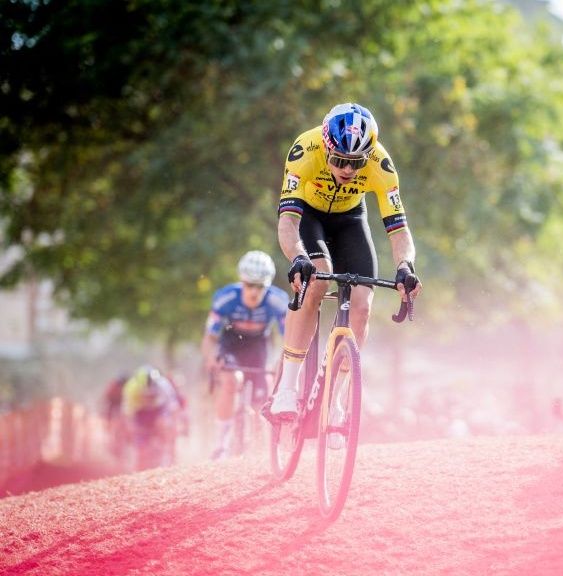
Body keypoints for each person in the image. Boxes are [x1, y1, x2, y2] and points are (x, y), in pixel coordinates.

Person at [270, 103, 423, 420]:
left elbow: (398, 229)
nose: (348, 170)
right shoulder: (305, 149)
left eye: (356, 162)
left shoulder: (382, 165)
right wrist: (298, 256)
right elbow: (287, 223)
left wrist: (405, 266)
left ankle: (335, 401)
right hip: (309, 217)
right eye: (339, 159)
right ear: (326, 147)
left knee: (363, 304)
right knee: (318, 281)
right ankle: (287, 387)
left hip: (350, 219)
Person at [201, 250, 288, 459]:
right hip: (231, 344)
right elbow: (210, 337)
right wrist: (210, 358)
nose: (254, 291)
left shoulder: (278, 300)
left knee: (263, 395)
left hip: (259, 345)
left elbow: (289, 339)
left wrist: (281, 361)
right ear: (242, 281)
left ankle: (261, 446)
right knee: (231, 381)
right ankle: (221, 443)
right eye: (249, 284)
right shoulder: (225, 298)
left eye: (260, 286)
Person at [121, 365, 184, 469]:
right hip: (140, 411)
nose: (148, 397)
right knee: (139, 436)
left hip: (159, 410)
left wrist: (173, 428)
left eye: (151, 394)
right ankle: (140, 460)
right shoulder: (130, 389)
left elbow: (172, 407)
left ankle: (169, 455)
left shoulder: (163, 385)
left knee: (165, 424)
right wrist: (130, 429)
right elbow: (127, 413)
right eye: (145, 394)